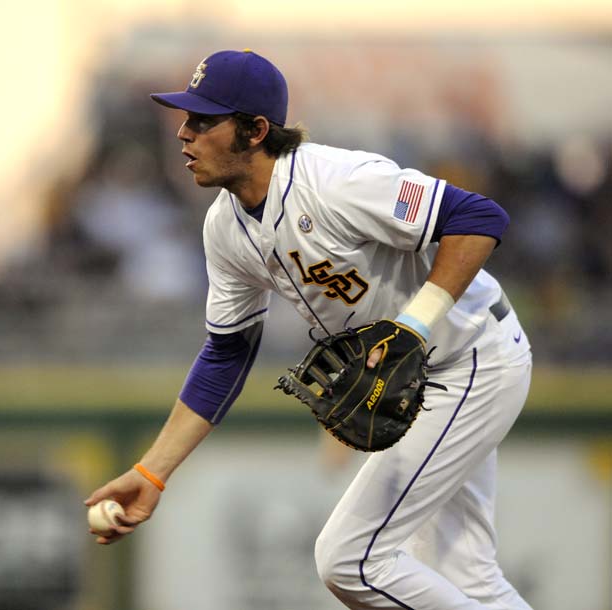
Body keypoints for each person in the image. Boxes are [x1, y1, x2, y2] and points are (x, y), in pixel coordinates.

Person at [85, 49, 533, 610]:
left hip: (470, 361)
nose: (184, 133)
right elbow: (225, 356)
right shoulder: (225, 228)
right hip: (422, 378)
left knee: (351, 559)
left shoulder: (338, 182)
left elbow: (478, 218)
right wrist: (152, 472)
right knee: (467, 579)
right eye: (186, 118)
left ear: (254, 130)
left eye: (203, 120)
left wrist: (412, 328)